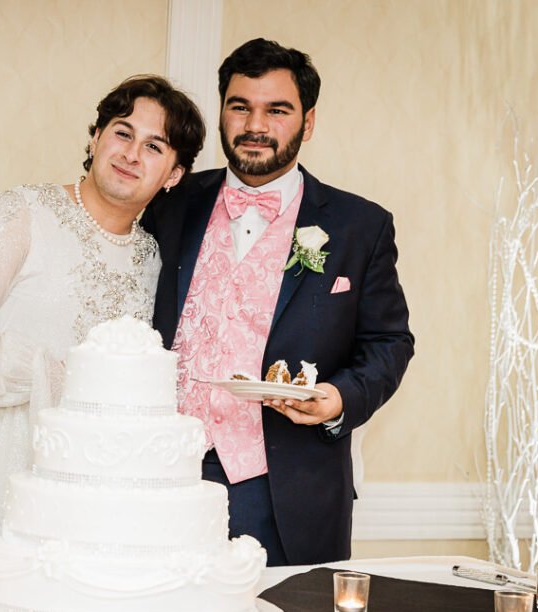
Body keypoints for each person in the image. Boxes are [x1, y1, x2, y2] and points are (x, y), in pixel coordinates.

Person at [142, 39, 414, 566]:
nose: (254, 125)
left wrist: (339, 398)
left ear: (307, 123)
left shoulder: (360, 226)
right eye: (240, 106)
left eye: (277, 110)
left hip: (283, 488)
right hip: (160, 474)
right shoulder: (170, 204)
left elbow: (389, 342)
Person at [0, 76, 205, 573]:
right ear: (95, 138)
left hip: (96, 486)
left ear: (174, 174)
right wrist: (58, 379)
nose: (131, 154)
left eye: (154, 146)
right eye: (122, 132)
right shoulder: (21, 213)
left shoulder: (157, 262)